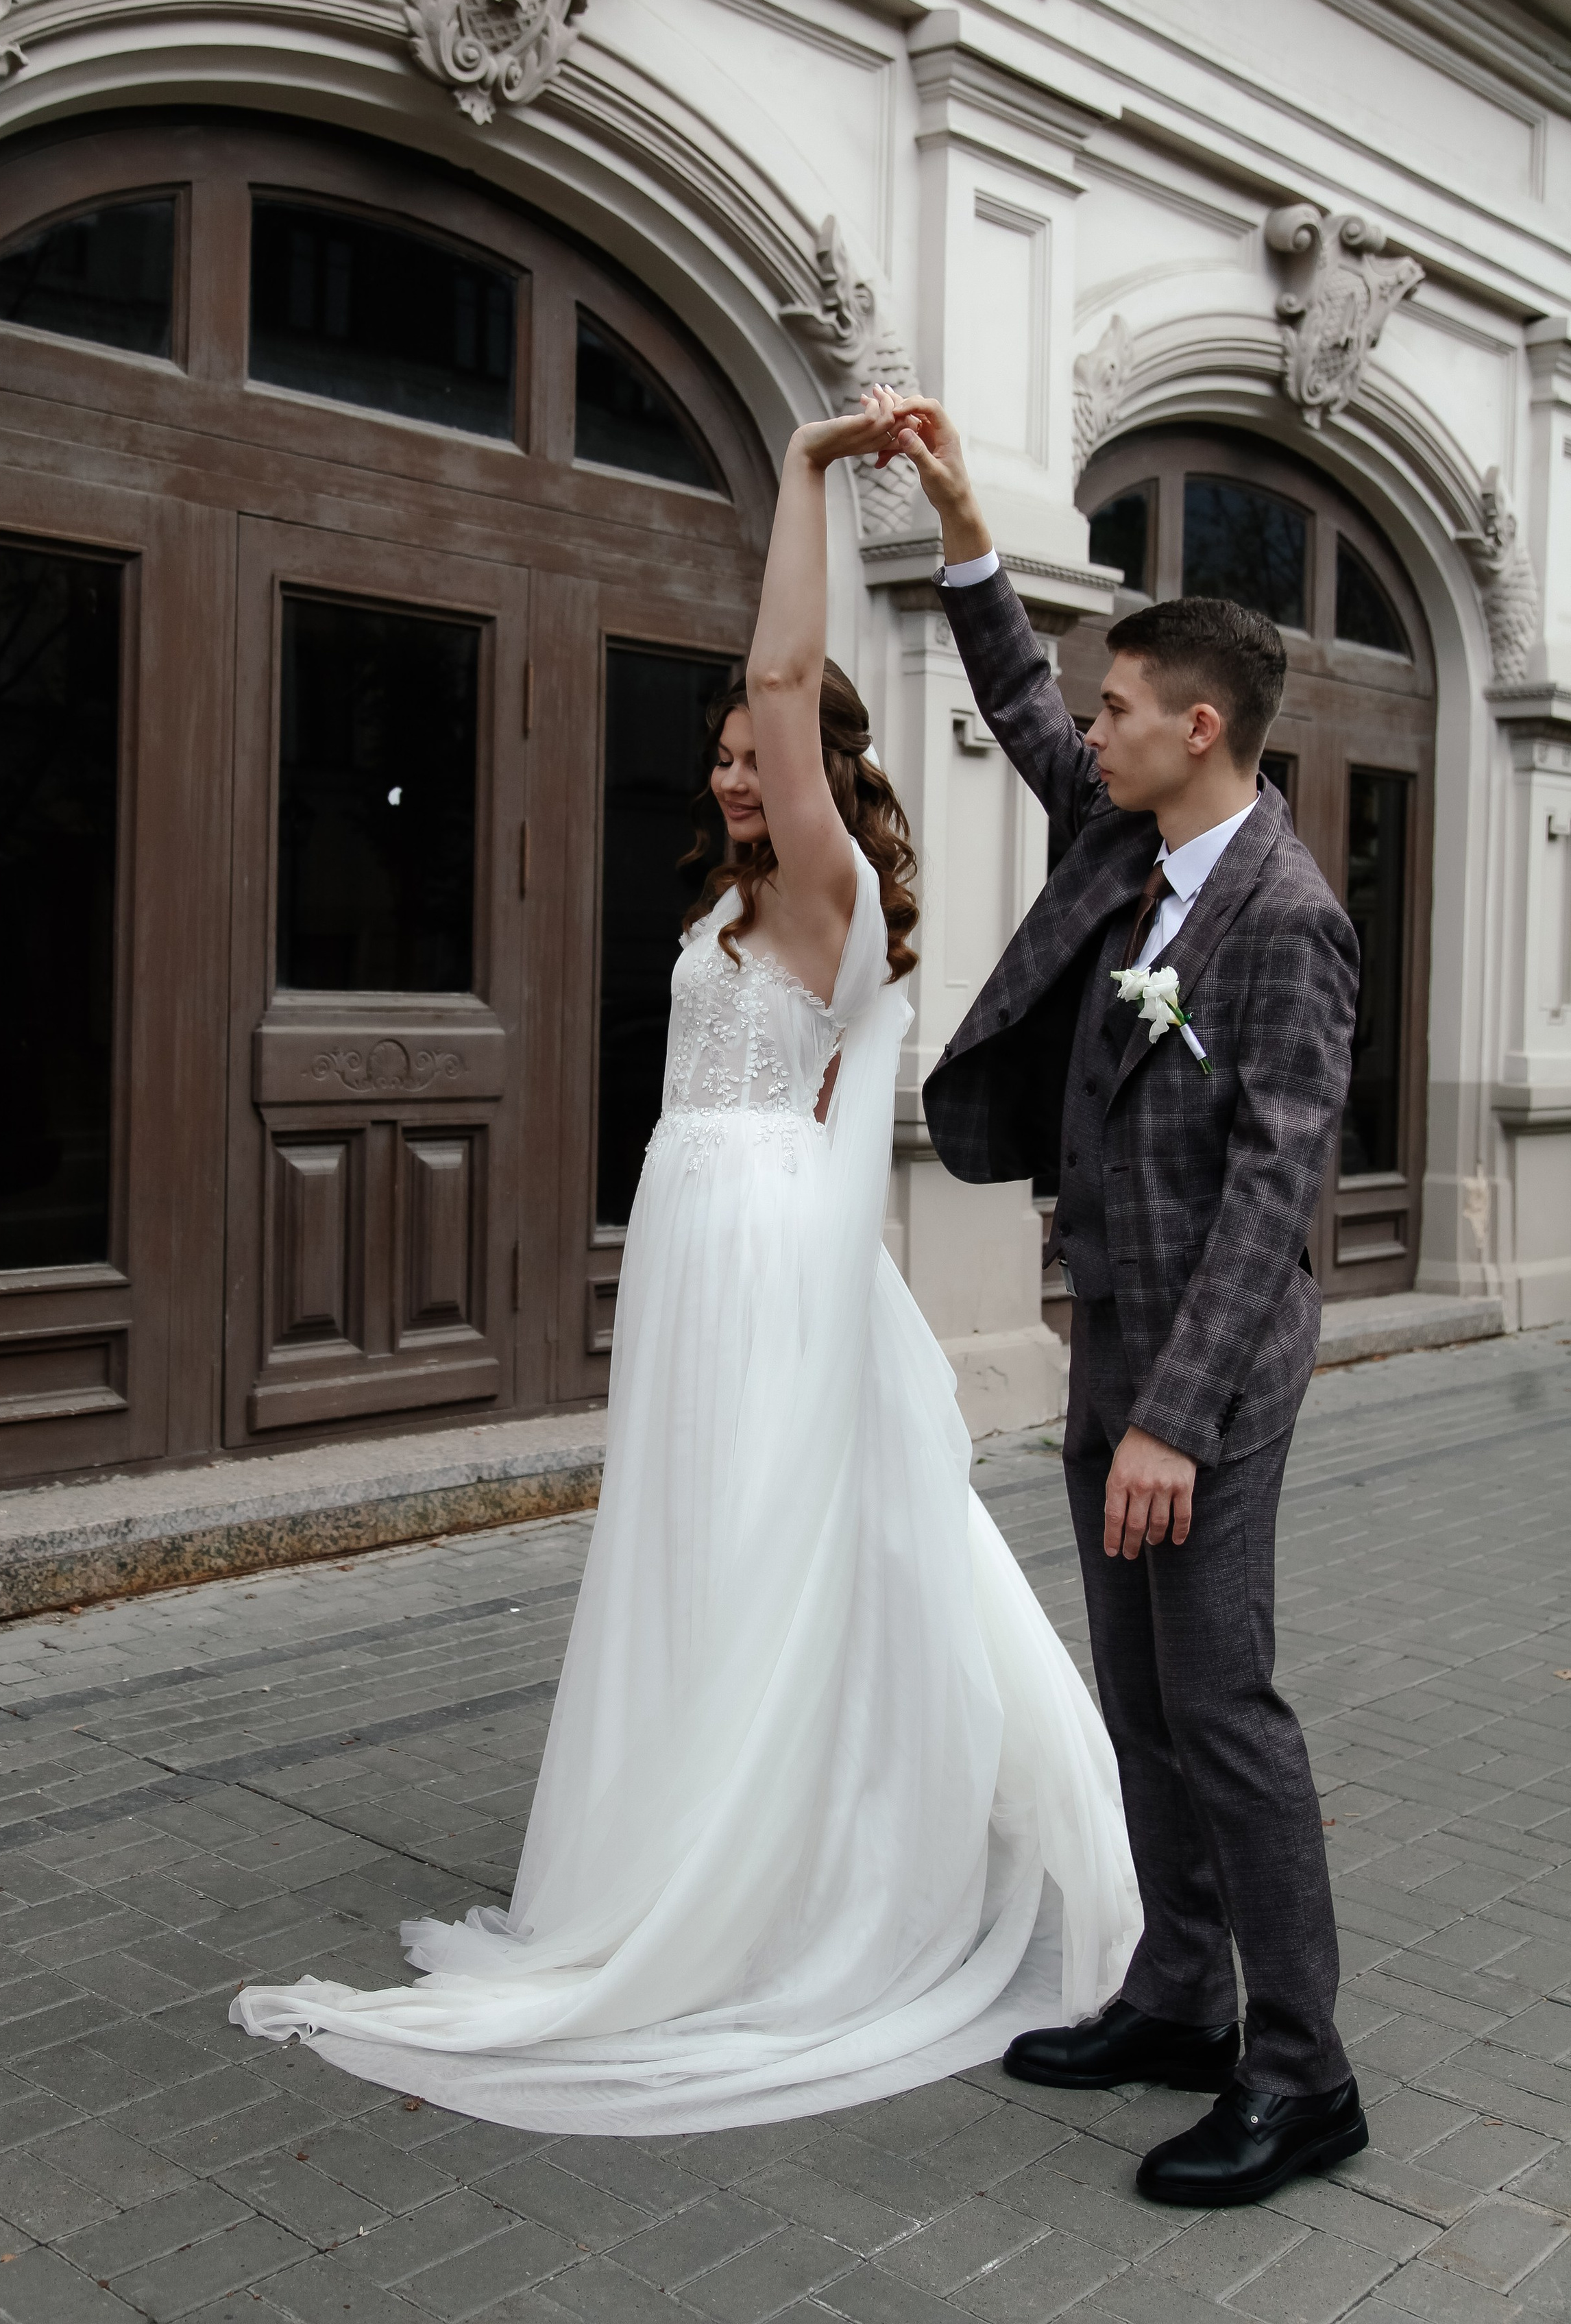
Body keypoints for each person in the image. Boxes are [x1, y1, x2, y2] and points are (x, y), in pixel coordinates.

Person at [232, 387, 1138, 2134]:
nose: (733, 767)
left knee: (772, 1552)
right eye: (718, 755)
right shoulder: (726, 903)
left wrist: (803, 477)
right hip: (698, 1251)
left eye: (756, 752)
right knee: (697, 1556)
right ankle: (690, 1837)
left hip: (770, 1258)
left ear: (822, 772)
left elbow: (790, 680)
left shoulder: (825, 891)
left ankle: (781, 1882)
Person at [882, 394, 1366, 2209]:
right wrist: (955, 512)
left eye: (1115, 711)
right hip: (1114, 1341)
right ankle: (1179, 1996)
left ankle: (1304, 2073)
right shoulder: (1128, 846)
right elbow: (1014, 694)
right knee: (1142, 1695)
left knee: (1224, 1700)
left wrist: (1174, 1416)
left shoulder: (1287, 920)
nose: (1086, 732)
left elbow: (1276, 1186)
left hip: (1211, 1376)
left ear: (1199, 728)